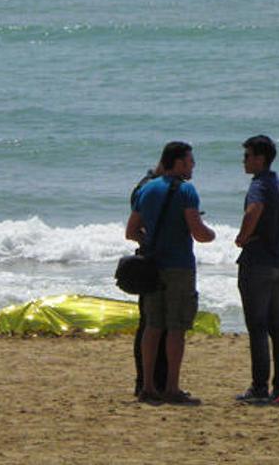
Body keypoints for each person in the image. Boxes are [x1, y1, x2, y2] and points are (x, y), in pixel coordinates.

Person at [126, 142, 216, 405]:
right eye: (190, 162)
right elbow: (198, 232)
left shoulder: (148, 189)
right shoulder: (187, 191)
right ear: (178, 163)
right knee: (176, 328)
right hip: (179, 266)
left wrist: (150, 243)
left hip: (153, 266)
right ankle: (172, 387)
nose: (193, 166)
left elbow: (131, 231)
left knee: (153, 327)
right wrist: (212, 234)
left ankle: (148, 386)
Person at [234, 135, 279, 404]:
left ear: (260, 158)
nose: (244, 161)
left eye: (247, 156)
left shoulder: (259, 185)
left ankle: (260, 386)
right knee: (278, 326)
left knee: (258, 326)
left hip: (258, 261)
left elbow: (254, 210)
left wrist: (242, 237)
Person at [130, 163, 168, 397]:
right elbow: (136, 227)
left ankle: (149, 380)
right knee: (151, 324)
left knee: (150, 323)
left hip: (150, 257)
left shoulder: (145, 186)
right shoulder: (148, 188)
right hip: (153, 260)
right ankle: (148, 380)